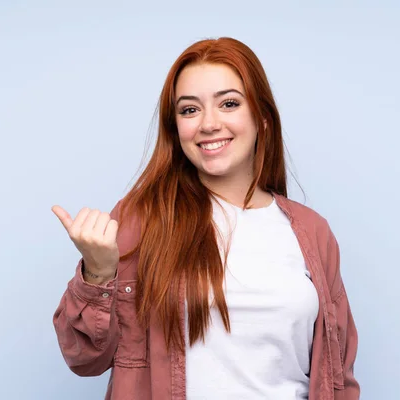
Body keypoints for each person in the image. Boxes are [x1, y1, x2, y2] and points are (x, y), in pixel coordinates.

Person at [51, 37, 359, 400]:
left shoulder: (312, 232)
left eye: (229, 103)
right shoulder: (142, 219)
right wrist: (98, 274)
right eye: (189, 110)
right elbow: (84, 358)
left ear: (261, 118)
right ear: (175, 127)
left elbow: (338, 378)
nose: (209, 124)